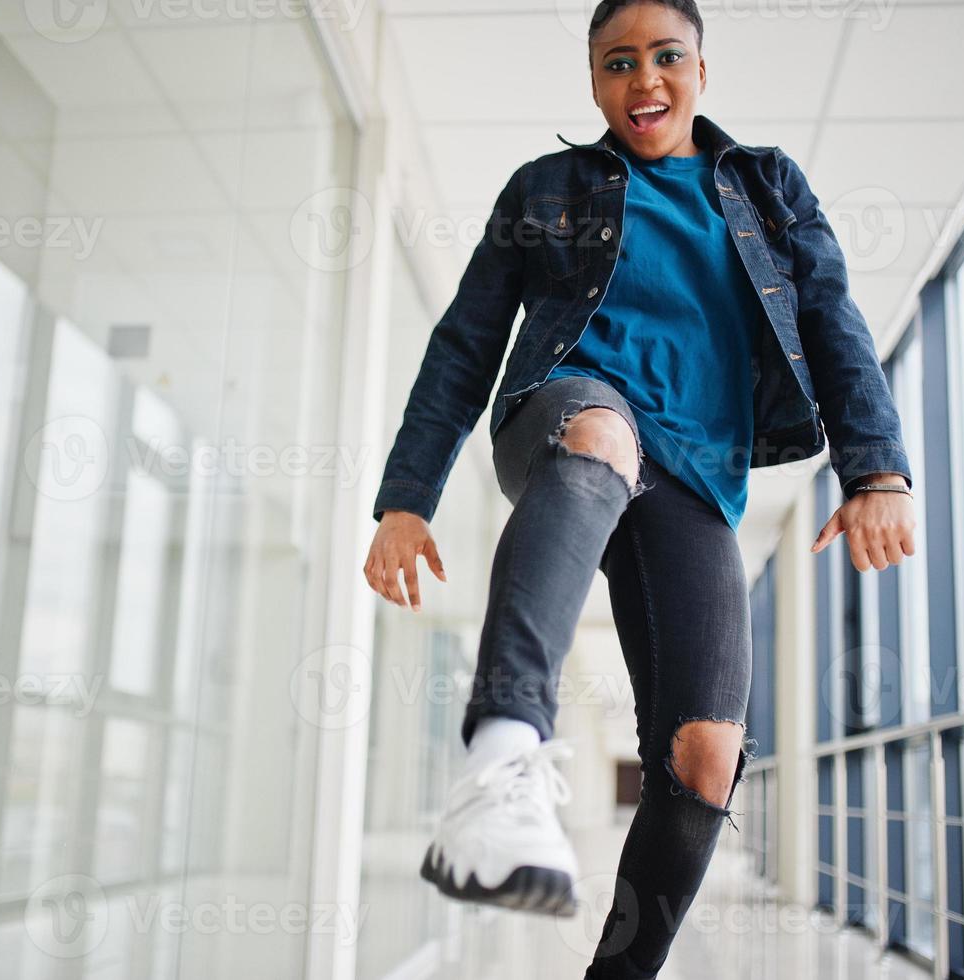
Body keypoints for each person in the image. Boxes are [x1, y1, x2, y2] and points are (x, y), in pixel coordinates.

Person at [362, 0, 917, 974]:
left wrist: (877, 468)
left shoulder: (767, 185)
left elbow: (832, 319)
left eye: (667, 57)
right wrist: (407, 495)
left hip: (697, 477)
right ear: (593, 79)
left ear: (702, 67)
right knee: (606, 435)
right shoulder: (547, 187)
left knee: (704, 752)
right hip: (570, 404)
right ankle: (500, 757)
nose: (644, 81)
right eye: (618, 62)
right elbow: (464, 346)